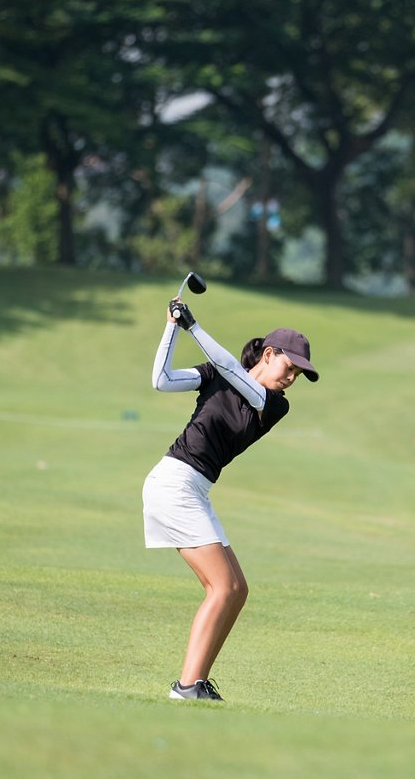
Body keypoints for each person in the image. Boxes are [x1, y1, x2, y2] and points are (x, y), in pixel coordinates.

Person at [142, 295, 318, 701]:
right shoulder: (216, 374)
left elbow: (230, 370)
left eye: (298, 375)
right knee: (223, 587)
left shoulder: (273, 404)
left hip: (194, 489)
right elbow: (162, 380)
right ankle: (187, 686)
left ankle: (196, 681)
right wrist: (173, 325)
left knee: (237, 589)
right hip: (174, 482)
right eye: (289, 368)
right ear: (269, 354)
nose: (291, 379)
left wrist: (194, 326)